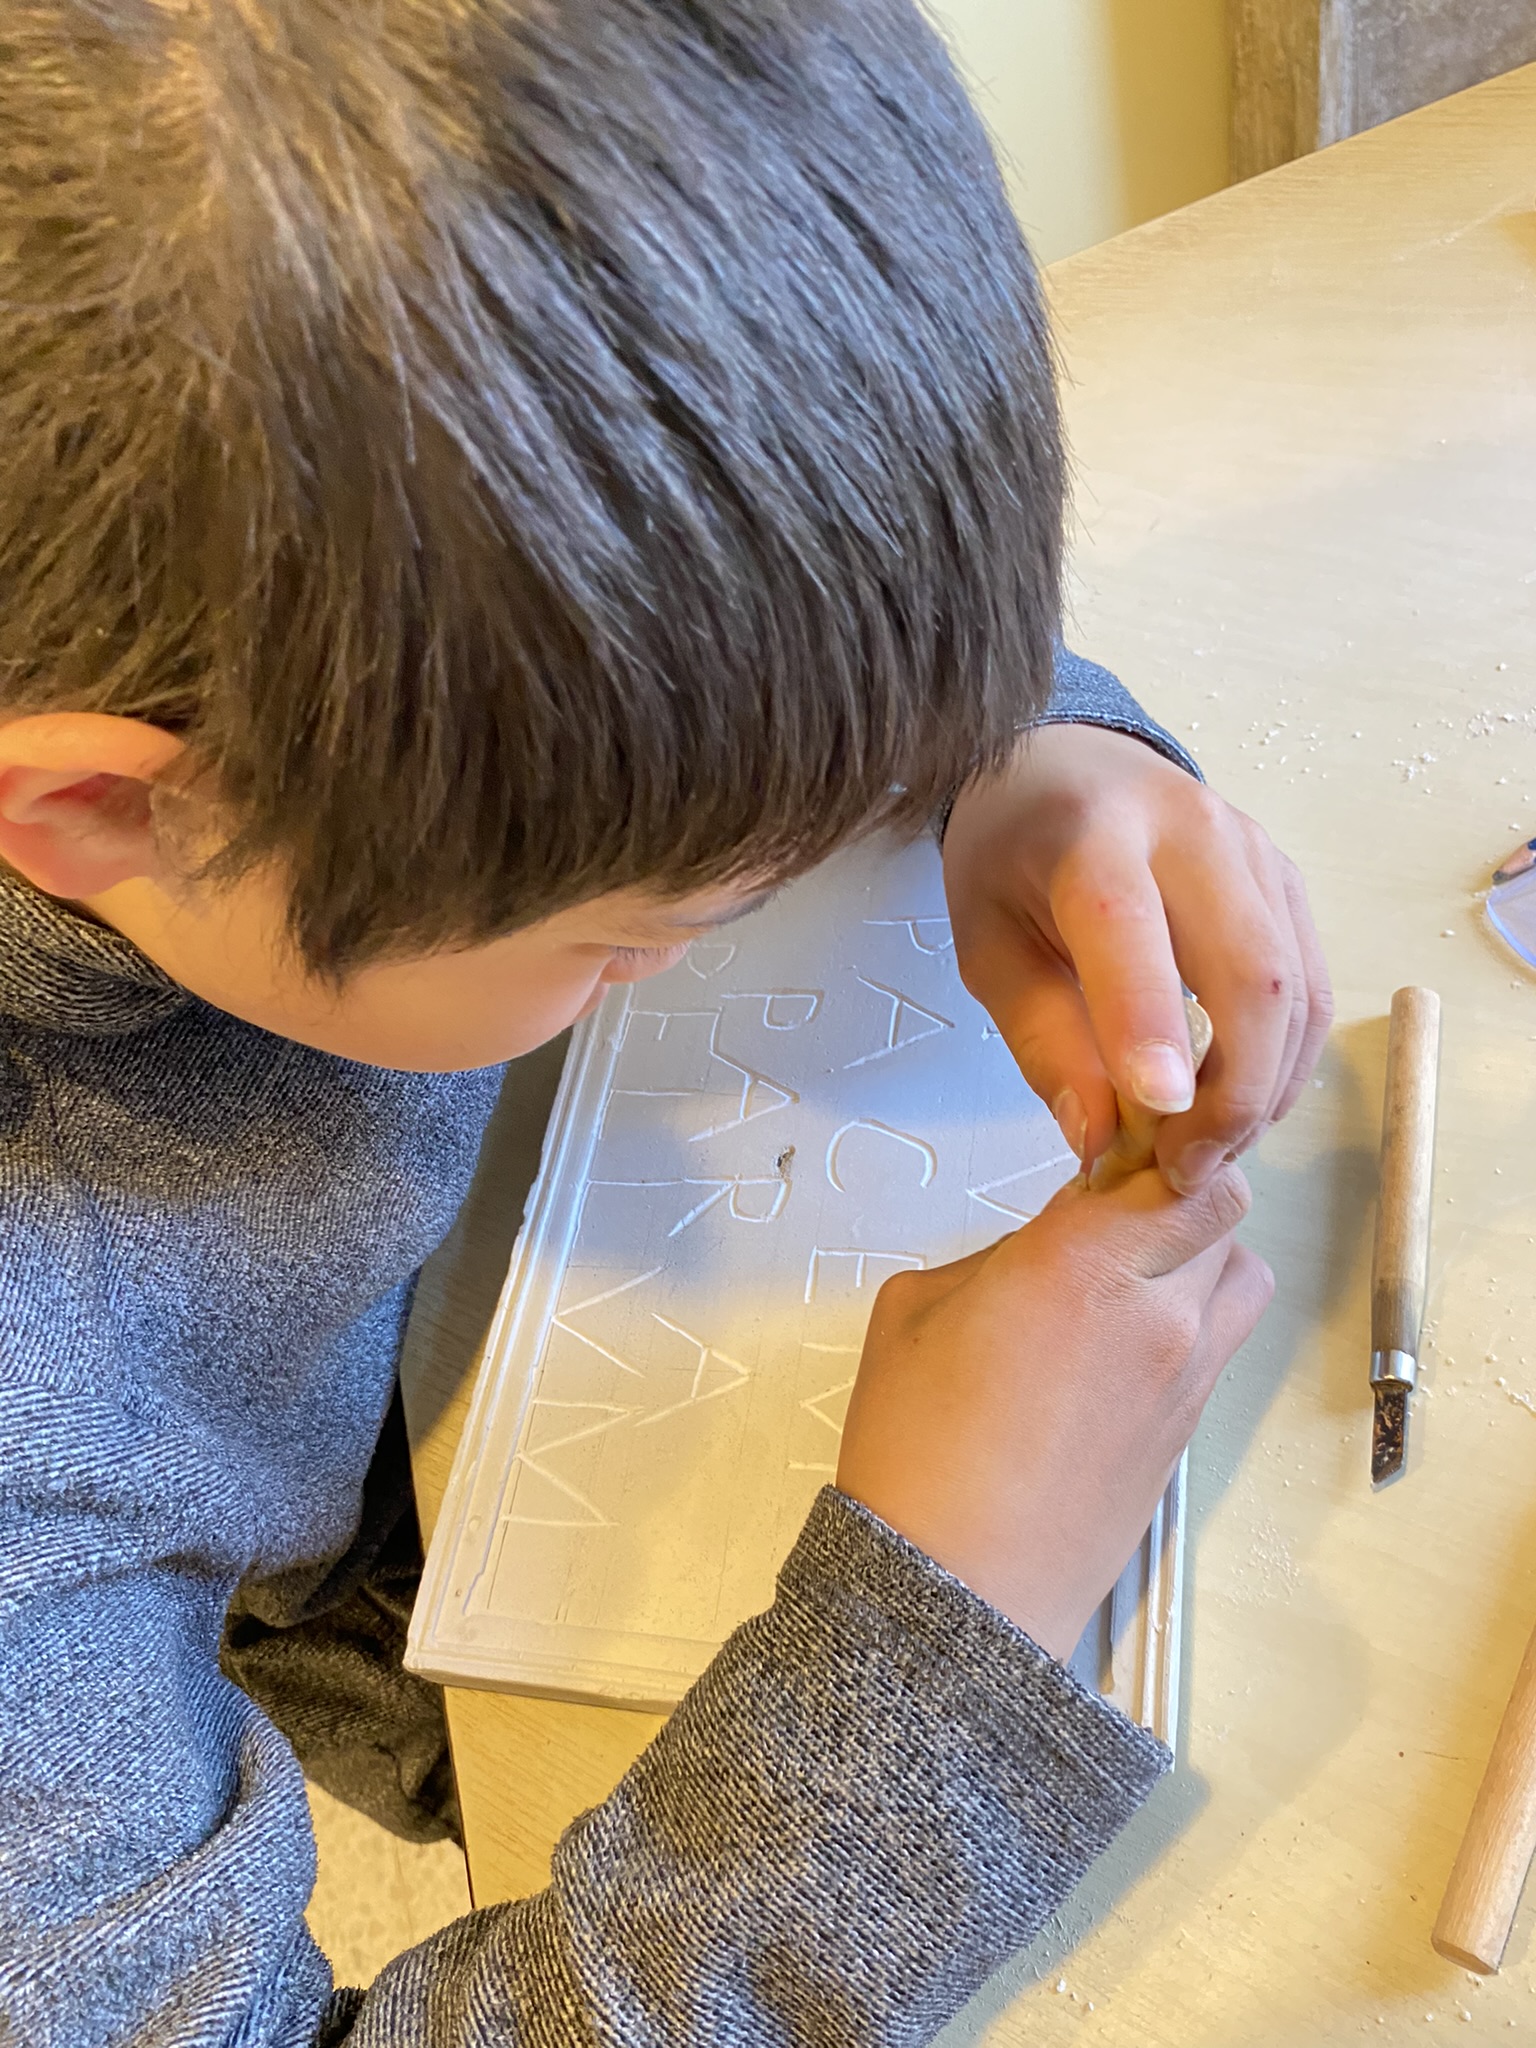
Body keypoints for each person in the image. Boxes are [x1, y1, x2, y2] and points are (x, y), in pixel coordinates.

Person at [0, 1, 1330, 2042]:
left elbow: (597, 600)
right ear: (104, 811)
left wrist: (1007, 750)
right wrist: (939, 1638)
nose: (711, 930)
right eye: (646, 929)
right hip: (363, 1601)